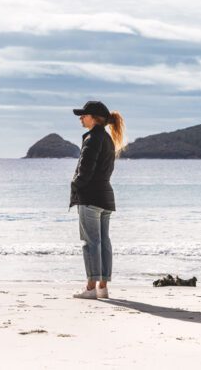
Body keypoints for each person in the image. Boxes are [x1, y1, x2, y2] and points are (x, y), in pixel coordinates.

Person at [69, 100, 126, 299]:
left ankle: (91, 287)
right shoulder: (108, 139)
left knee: (91, 243)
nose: (81, 118)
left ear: (94, 118)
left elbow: (85, 170)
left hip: (90, 197)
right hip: (105, 196)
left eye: (84, 115)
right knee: (103, 242)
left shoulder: (93, 138)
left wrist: (75, 185)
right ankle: (103, 287)